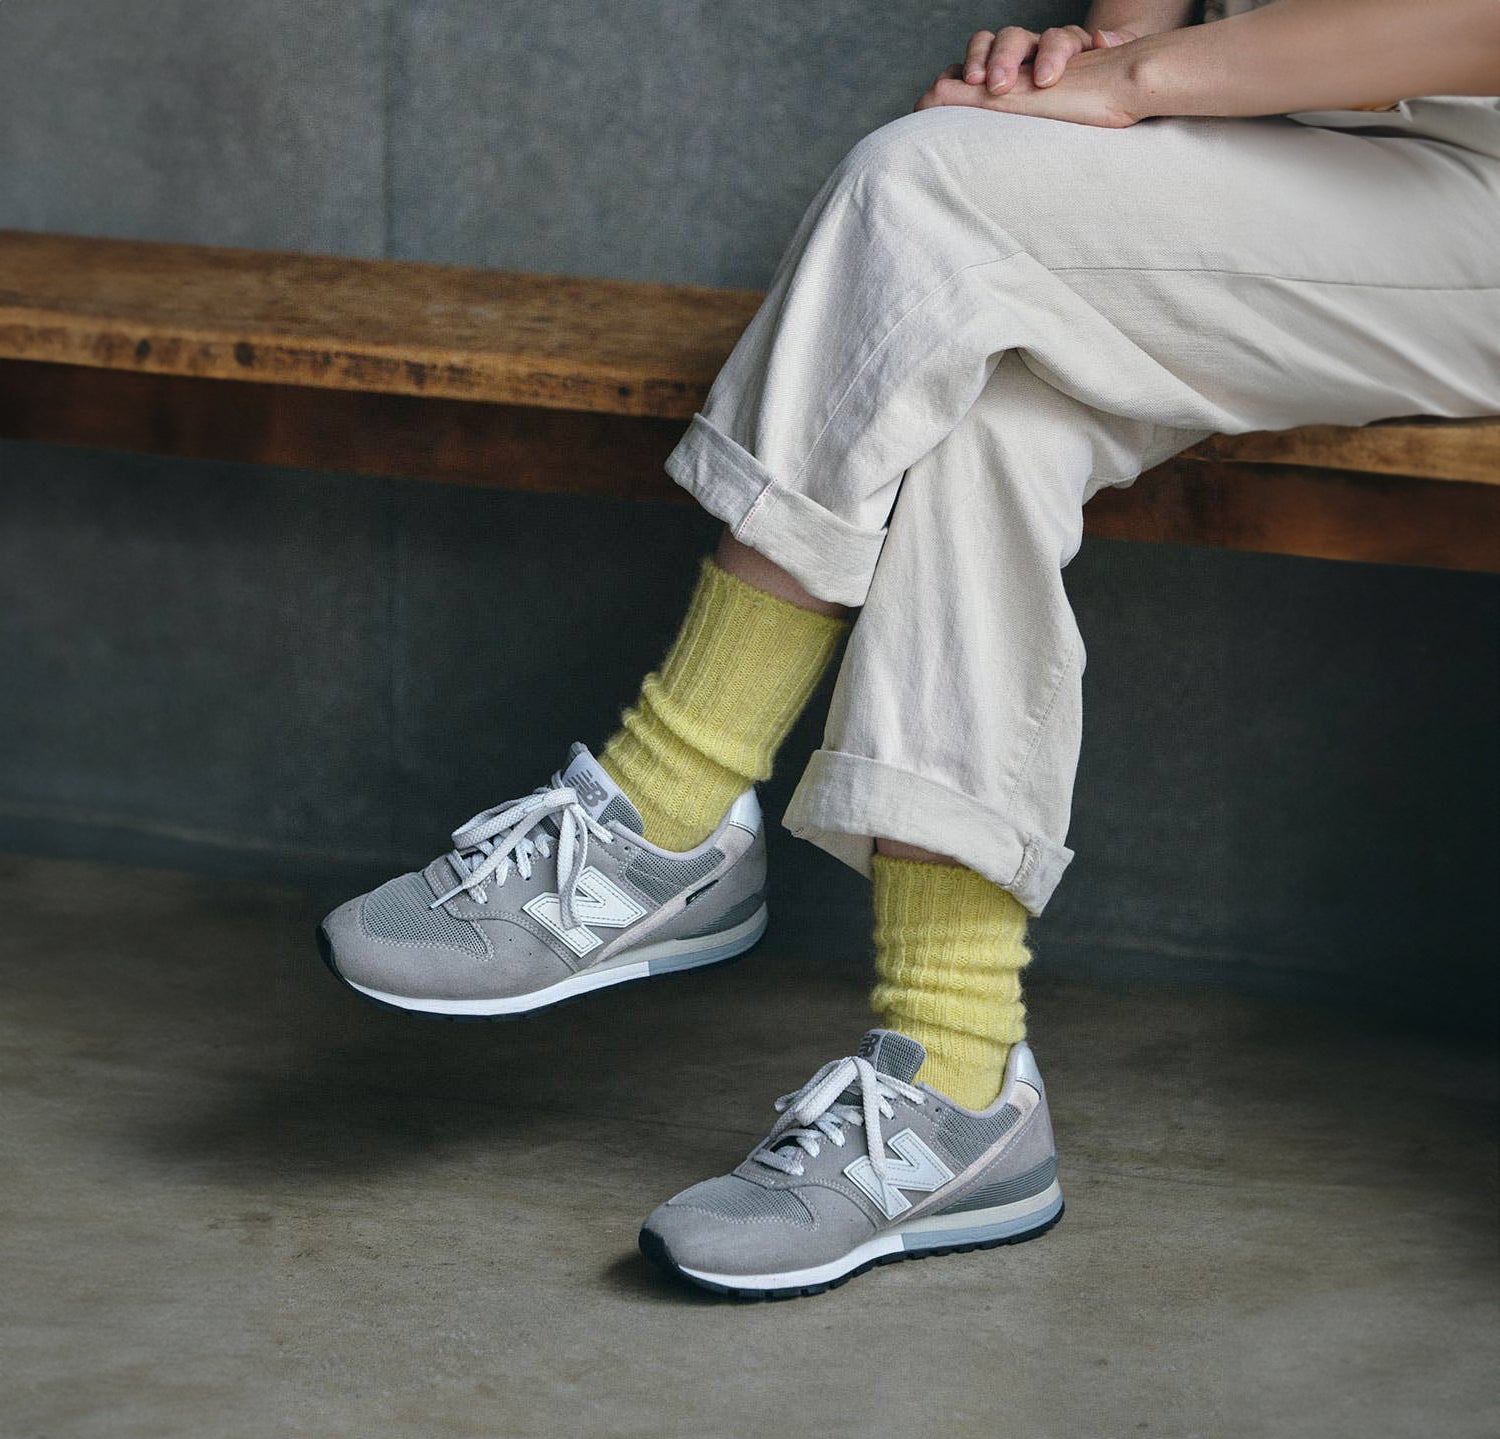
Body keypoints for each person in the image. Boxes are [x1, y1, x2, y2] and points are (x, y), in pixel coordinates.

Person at [318, 0, 1500, 1298]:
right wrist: (1105, 49)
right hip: (1282, 131)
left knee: (917, 187)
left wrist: (1141, 78)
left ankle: (668, 801)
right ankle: (958, 1082)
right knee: (973, 406)